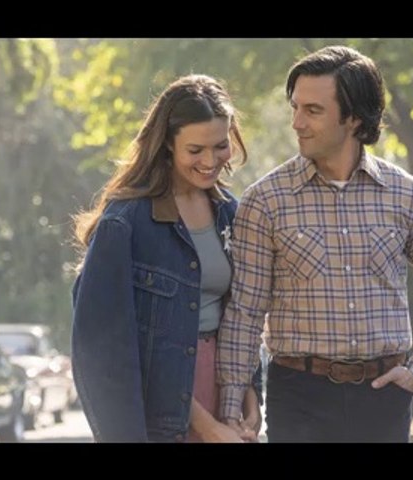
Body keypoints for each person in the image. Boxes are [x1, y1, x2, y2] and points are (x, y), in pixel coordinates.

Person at [216, 46, 413, 442]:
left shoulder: (408, 196)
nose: (297, 123)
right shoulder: (265, 201)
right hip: (298, 397)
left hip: (383, 397)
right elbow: (245, 313)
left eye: (313, 110)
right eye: (295, 107)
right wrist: (231, 408)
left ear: (353, 118)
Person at [71, 74, 261, 442]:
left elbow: (242, 317)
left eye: (221, 146)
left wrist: (250, 400)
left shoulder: (232, 215)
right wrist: (207, 426)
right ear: (168, 145)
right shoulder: (124, 224)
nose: (210, 161)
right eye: (195, 150)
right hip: (162, 409)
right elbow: (102, 352)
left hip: (225, 394)